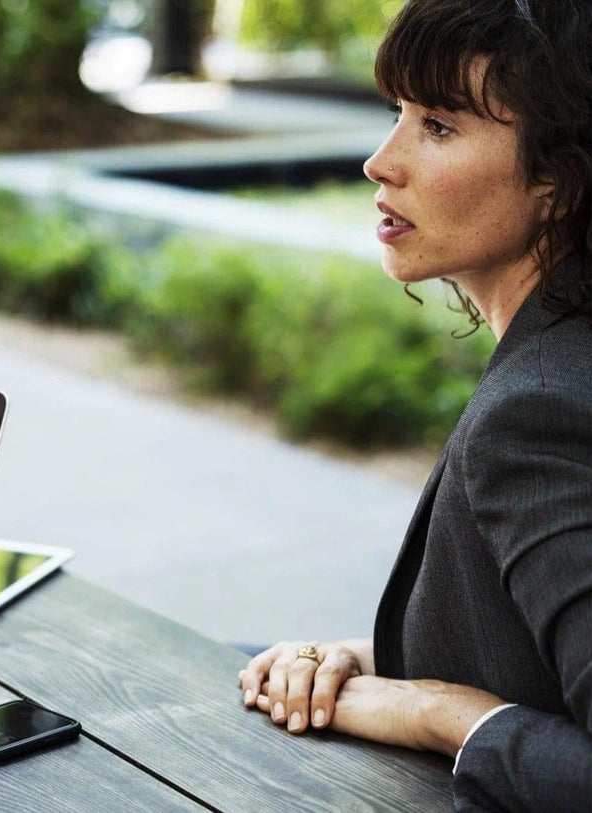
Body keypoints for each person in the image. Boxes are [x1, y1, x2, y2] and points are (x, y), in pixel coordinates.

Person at [238, 1, 591, 810]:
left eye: (437, 126)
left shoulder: (536, 415)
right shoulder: (559, 358)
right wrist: (367, 664)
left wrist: (437, 712)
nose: (378, 162)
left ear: (560, 179)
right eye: (394, 113)